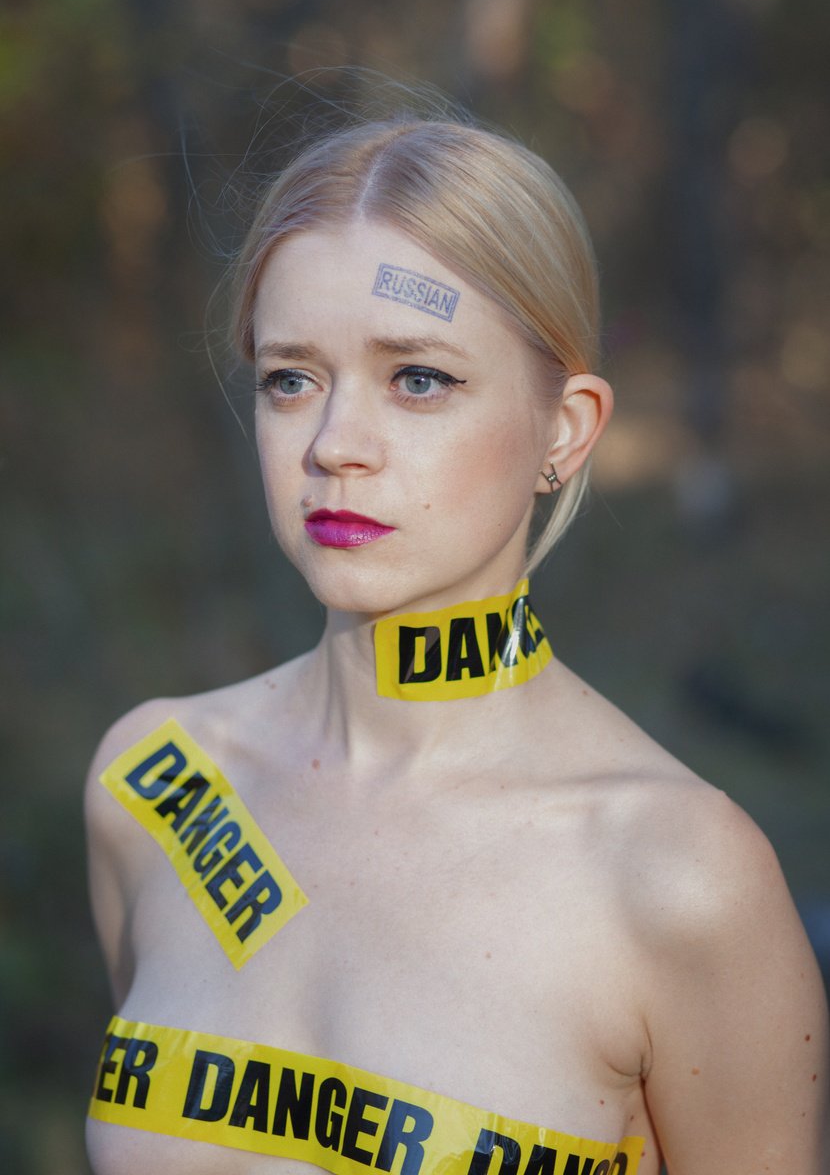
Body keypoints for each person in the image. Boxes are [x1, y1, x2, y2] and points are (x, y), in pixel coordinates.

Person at [84, 116, 828, 1175]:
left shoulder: (676, 878)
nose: (335, 446)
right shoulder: (157, 785)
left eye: (417, 379)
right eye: (290, 378)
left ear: (564, 429)